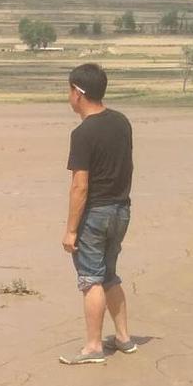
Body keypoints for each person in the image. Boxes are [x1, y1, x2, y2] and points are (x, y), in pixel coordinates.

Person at [59, 63, 137, 365]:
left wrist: (70, 230)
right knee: (110, 274)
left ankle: (93, 347)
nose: (68, 97)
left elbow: (80, 186)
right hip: (121, 209)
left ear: (79, 93)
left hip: (96, 213)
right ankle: (124, 338)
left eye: (69, 90)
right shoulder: (121, 122)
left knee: (90, 278)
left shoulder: (83, 133)